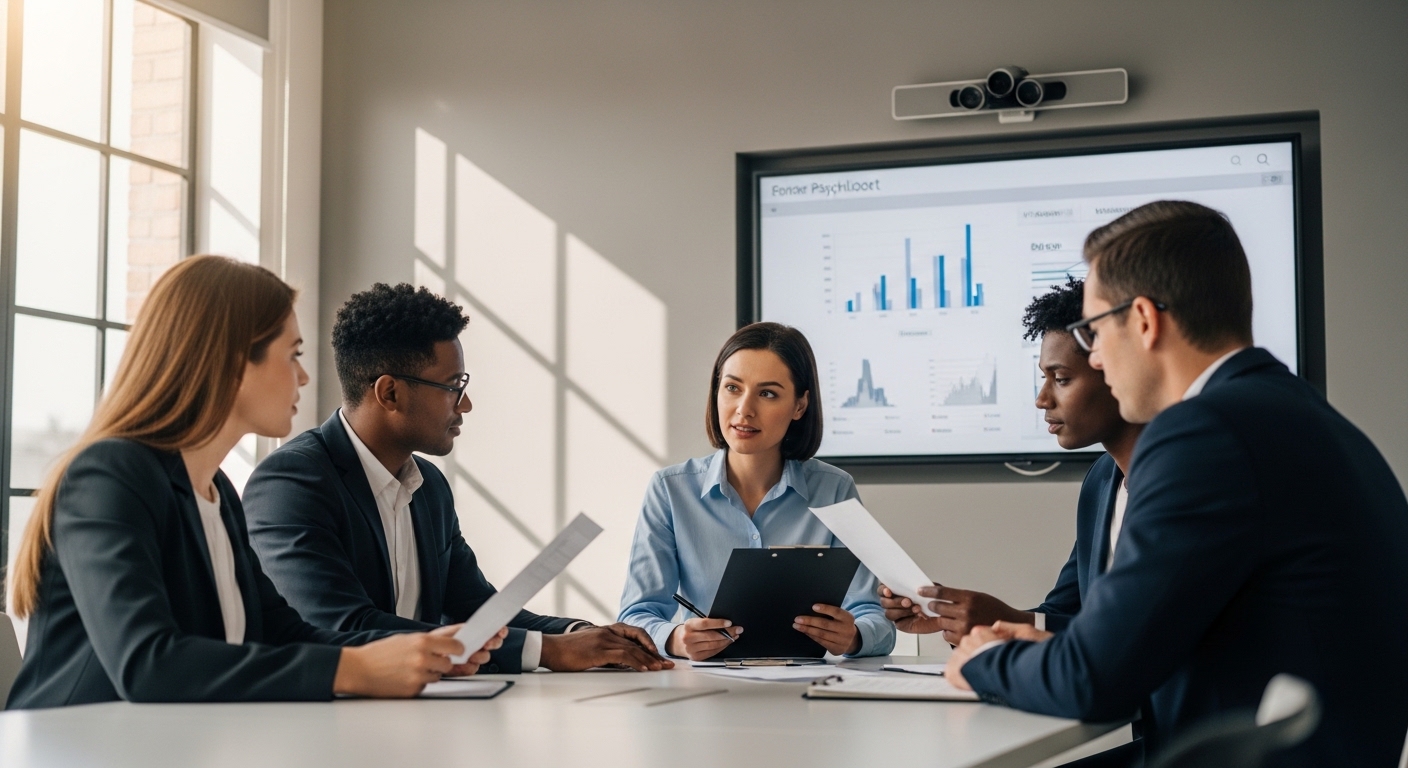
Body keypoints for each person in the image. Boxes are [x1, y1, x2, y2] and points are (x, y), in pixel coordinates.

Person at [944, 201, 1408, 767]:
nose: (1096, 358)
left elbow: (1093, 681)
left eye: (1093, 332)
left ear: (1143, 320)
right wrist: (1057, 646)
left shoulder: (1204, 433)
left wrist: (982, 660)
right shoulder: (1302, 415)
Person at [6, 257, 504, 710]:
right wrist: (355, 669)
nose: (303, 377)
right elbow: (149, 663)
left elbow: (278, 632)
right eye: (292, 355)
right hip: (74, 750)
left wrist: (416, 653)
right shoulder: (109, 474)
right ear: (231, 362)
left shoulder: (217, 491)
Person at [243, 283, 669, 674]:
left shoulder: (428, 486)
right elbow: (342, 624)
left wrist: (580, 634)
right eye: (453, 386)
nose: (465, 405)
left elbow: (477, 610)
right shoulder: (291, 483)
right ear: (390, 393)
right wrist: (546, 650)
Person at [880, 277, 1143, 645]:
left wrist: (1003, 622)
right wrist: (965, 618)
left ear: (1115, 370)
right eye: (1044, 377)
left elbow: (1135, 633)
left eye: (1061, 378)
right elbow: (1067, 615)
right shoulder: (1101, 481)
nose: (1042, 399)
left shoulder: (1178, 479)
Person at [618, 322, 895, 660]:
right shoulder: (670, 490)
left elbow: (875, 616)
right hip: (704, 686)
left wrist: (853, 637)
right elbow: (635, 616)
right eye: (732, 388)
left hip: (807, 685)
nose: (744, 409)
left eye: (768, 394)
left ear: (800, 406)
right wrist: (675, 639)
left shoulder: (834, 489)